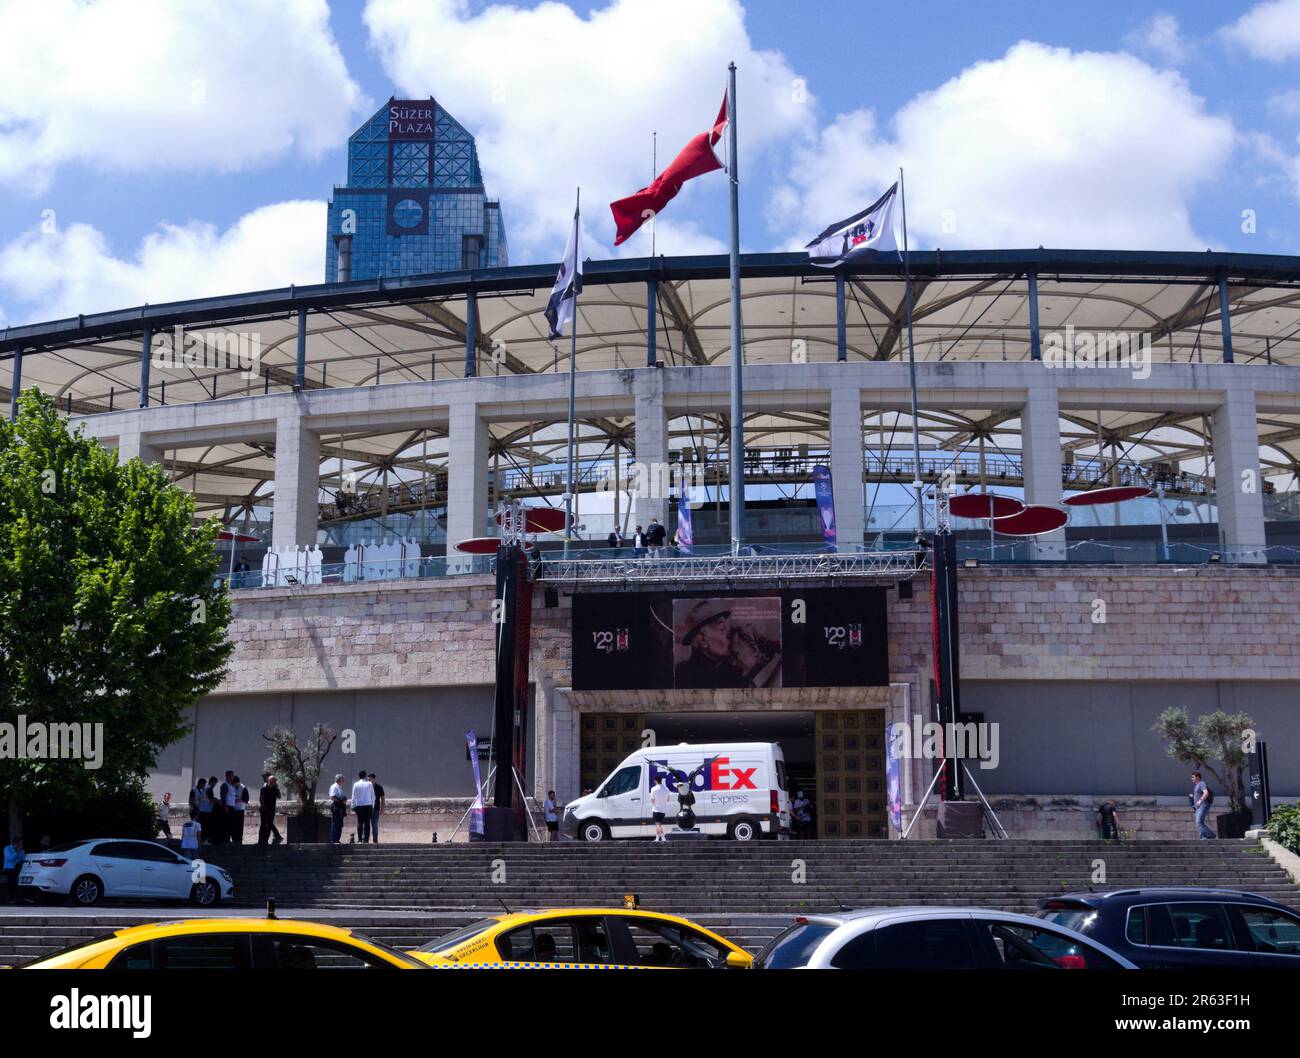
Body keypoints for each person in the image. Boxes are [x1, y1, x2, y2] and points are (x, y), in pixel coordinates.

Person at [674, 600, 745, 689]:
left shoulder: (734, 669)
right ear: (703, 640)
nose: (730, 635)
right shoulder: (683, 675)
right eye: (722, 629)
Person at [258, 774, 283, 846]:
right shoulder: (264, 788)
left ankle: (265, 840)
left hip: (272, 810)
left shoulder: (275, 789)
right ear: (269, 781)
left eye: (275, 781)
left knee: (269, 825)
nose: (274, 782)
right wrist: (264, 808)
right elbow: (261, 799)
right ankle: (260, 840)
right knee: (263, 825)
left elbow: (279, 797)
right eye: (272, 780)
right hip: (265, 810)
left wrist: (278, 789)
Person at [352, 770, 375, 843]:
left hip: (359, 805)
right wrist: (373, 805)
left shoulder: (356, 784)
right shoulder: (369, 784)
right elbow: (372, 796)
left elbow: (353, 796)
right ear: (365, 776)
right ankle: (366, 840)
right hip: (368, 805)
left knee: (360, 822)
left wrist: (353, 805)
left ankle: (359, 839)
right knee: (367, 823)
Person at [1191, 771, 1216, 840]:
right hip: (1198, 807)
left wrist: (1200, 801)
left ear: (1198, 777)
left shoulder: (1201, 783)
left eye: (1193, 777)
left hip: (1203, 805)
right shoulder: (1196, 786)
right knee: (1198, 823)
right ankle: (1203, 837)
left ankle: (1211, 835)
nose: (1191, 778)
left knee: (1199, 822)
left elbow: (1206, 793)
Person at [226, 774, 249, 844]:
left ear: (238, 782)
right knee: (233, 824)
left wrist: (237, 800)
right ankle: (234, 837)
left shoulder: (243, 788)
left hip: (240, 809)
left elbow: (246, 799)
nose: (234, 785)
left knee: (239, 825)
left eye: (235, 783)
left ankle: (239, 838)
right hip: (233, 809)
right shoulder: (232, 787)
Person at [649, 775, 671, 842]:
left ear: (655, 781)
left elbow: (652, 800)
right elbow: (668, 800)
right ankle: (657, 838)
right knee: (658, 824)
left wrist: (655, 804)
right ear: (661, 780)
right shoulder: (666, 789)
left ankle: (663, 838)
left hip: (656, 809)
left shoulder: (653, 789)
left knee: (658, 824)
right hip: (663, 810)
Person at [2, 837, 23, 904]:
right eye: (20, 843)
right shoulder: (7, 848)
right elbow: (10, 859)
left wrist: (19, 854)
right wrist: (17, 852)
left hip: (18, 867)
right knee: (12, 881)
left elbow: (23, 858)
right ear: (16, 843)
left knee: (20, 879)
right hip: (8, 868)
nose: (21, 844)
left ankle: (24, 897)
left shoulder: (21, 849)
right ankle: (11, 898)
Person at [329, 774, 348, 843]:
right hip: (336, 807)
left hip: (340, 808)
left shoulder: (339, 787)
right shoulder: (334, 787)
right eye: (343, 779)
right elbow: (332, 797)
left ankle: (337, 839)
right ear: (340, 780)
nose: (344, 781)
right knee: (335, 823)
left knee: (340, 824)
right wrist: (340, 801)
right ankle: (334, 839)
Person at [368, 773, 385, 843]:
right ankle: (365, 839)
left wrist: (382, 809)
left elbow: (383, 799)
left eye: (370, 779)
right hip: (367, 808)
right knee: (366, 824)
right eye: (368, 779)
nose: (368, 780)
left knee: (374, 824)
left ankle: (375, 839)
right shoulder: (367, 787)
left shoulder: (379, 787)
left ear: (374, 779)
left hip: (376, 809)